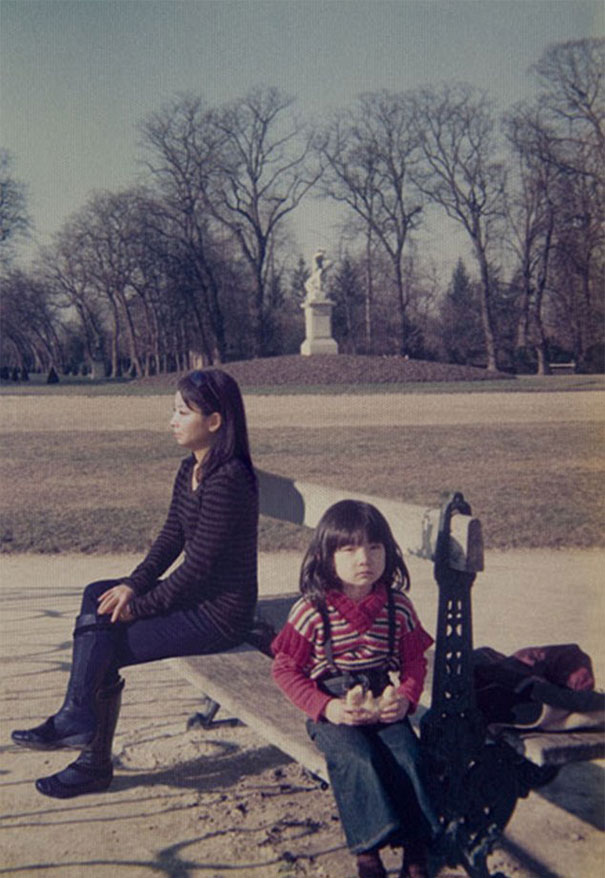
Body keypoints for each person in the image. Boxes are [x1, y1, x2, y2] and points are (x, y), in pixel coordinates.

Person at [12, 369, 259, 799]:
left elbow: (198, 568)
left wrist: (138, 607)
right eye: (173, 411)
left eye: (183, 412)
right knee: (98, 594)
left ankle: (90, 756)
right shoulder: (191, 468)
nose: (172, 421)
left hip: (219, 615)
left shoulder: (229, 479)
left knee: (102, 644)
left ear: (215, 421)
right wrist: (131, 586)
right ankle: (77, 718)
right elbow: (170, 539)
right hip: (194, 598)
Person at [271, 500, 439, 878]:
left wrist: (406, 697)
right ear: (325, 557)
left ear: (388, 552)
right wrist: (326, 707)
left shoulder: (398, 607)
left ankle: (416, 849)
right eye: (348, 549)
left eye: (374, 547)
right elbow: (284, 669)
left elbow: (414, 661)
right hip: (332, 705)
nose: (364, 559)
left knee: (409, 755)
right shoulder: (312, 611)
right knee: (357, 757)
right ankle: (369, 852)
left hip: (382, 700)